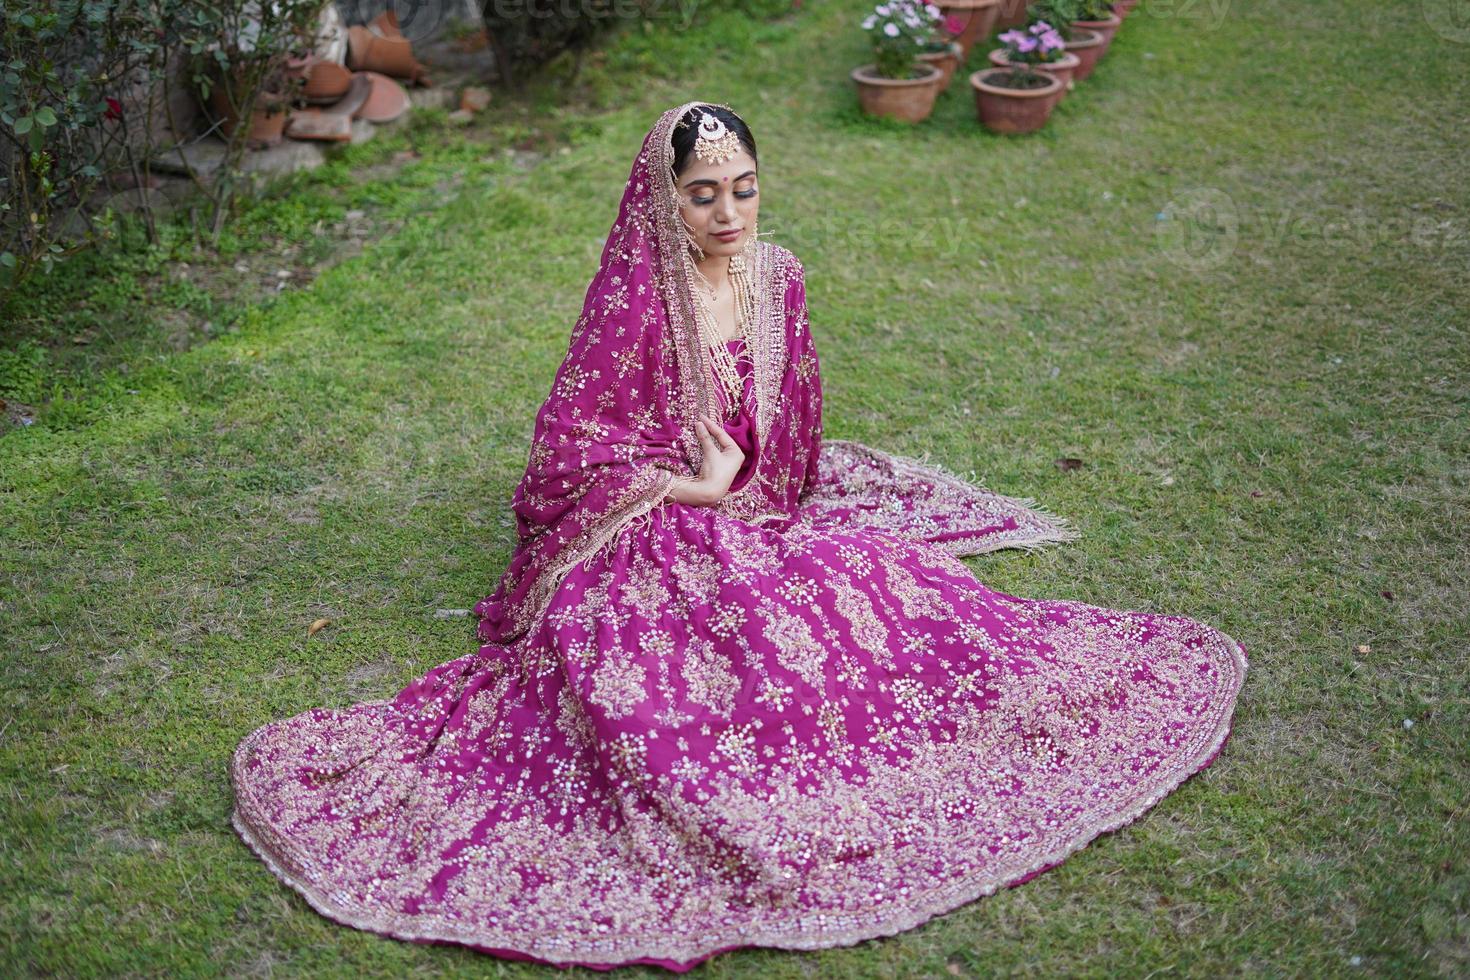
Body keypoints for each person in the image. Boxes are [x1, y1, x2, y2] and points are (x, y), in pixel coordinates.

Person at [230, 100, 1247, 971]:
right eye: (703, 193)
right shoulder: (634, 297)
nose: (727, 213)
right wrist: (693, 483)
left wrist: (751, 491)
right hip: (647, 525)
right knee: (677, 664)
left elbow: (793, 428)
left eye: (744, 188)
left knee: (872, 593)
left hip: (750, 511)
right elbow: (567, 455)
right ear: (661, 198)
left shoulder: (779, 278)